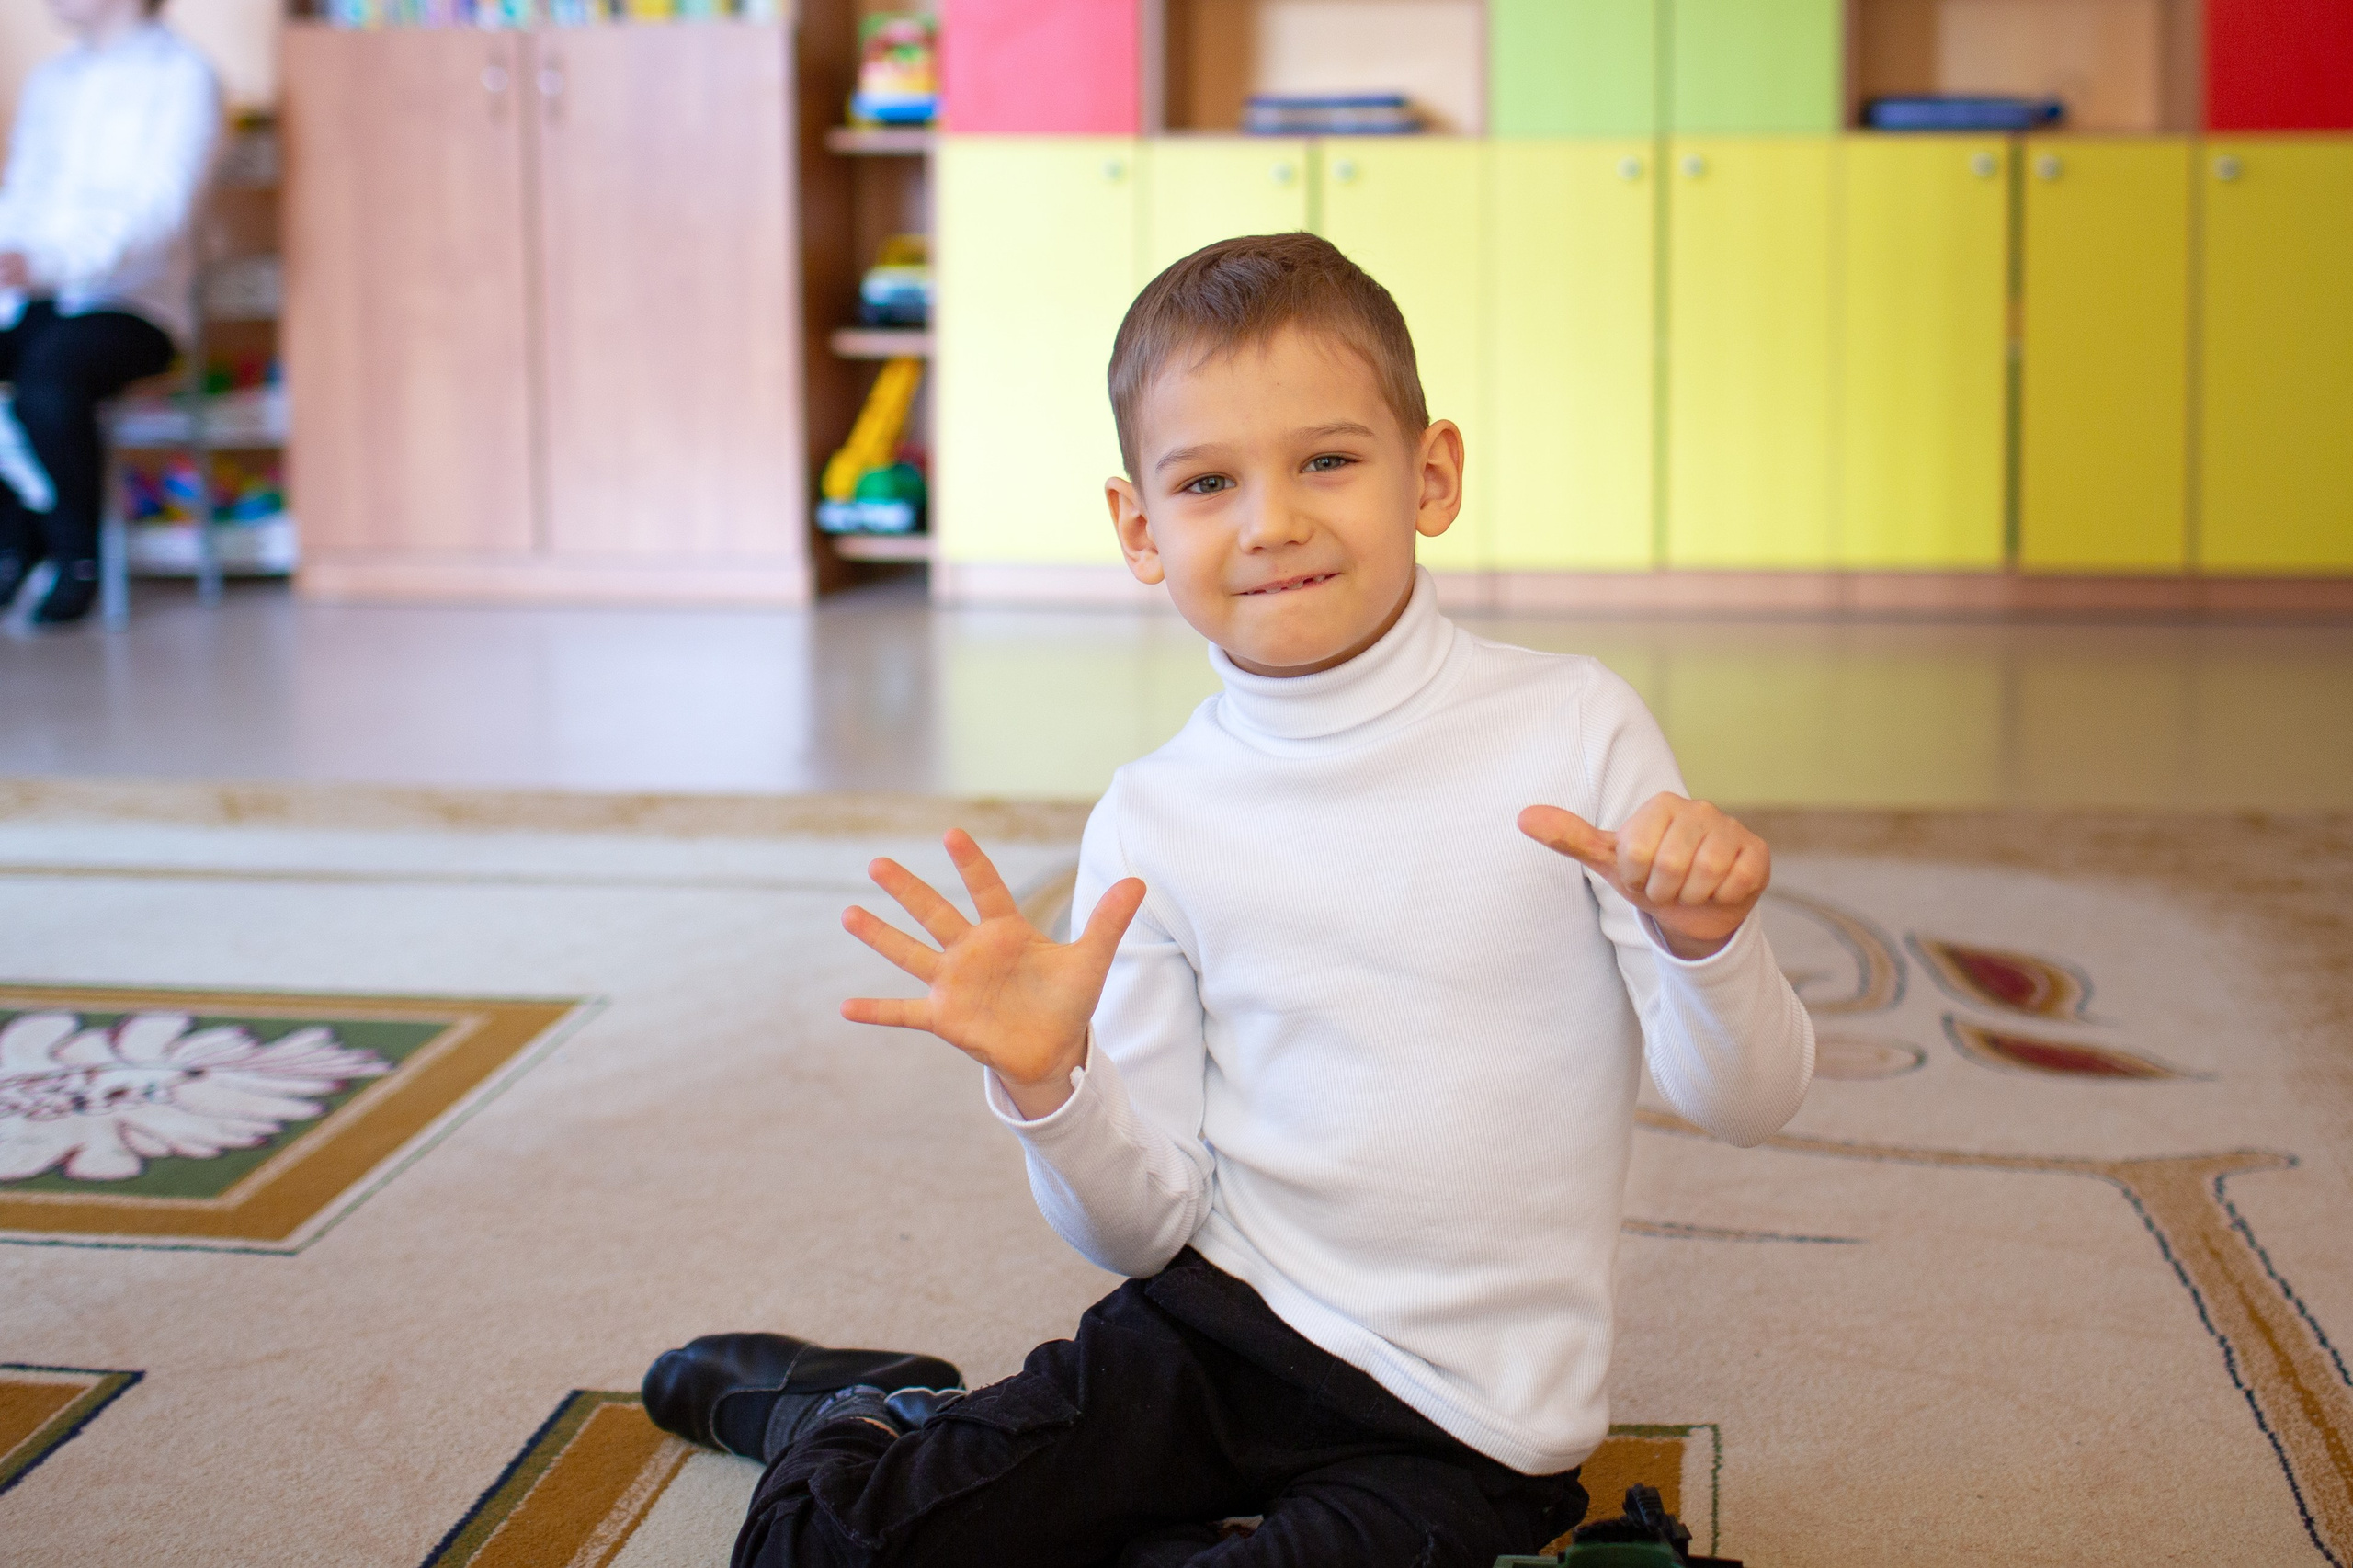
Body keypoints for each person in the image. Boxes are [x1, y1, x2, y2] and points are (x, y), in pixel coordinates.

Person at [643, 233, 1816, 1566]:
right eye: (1208, 481)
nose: (1273, 520)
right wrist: (1054, 1086)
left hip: (1465, 1422)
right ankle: (852, 1415)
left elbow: (1750, 1098)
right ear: (1141, 529)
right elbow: (1139, 1224)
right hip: (1213, 1333)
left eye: (1327, 459)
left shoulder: (1578, 730)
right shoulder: (1156, 814)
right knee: (809, 1556)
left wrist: (1707, 943)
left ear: (1430, 476)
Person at [0, 0, 217, 625]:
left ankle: (76, 560)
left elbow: (159, 211)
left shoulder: (182, 77)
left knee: (47, 382)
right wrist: (15, 258)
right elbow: (24, 190)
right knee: (32, 359)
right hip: (33, 293)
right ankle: (16, 535)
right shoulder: (51, 81)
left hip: (130, 302)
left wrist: (52, 262)